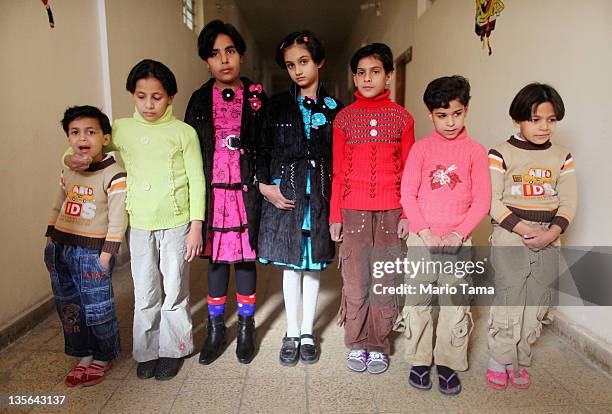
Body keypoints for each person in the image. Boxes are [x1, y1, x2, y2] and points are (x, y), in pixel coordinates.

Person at [64, 59, 205, 380]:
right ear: (132, 95)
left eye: (156, 96)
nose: (149, 104)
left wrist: (196, 225)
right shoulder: (123, 128)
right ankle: (147, 350)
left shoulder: (183, 133)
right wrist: (68, 157)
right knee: (145, 291)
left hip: (177, 222)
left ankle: (173, 349)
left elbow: (197, 179)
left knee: (175, 288)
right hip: (139, 222)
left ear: (170, 97)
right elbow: (90, 145)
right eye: (141, 96)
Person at [397, 75, 491, 395]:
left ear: (466, 110)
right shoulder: (421, 150)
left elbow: (482, 201)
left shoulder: (476, 152)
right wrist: (423, 231)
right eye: (441, 115)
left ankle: (449, 363)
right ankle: (420, 360)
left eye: (456, 113)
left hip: (458, 243)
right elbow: (408, 195)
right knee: (418, 301)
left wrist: (458, 235)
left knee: (455, 304)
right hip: (422, 241)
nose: (450, 122)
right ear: (430, 115)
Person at [257, 30, 343, 366]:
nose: (298, 70)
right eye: (291, 65)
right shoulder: (275, 105)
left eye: (304, 61)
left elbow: (340, 158)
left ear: (319, 61)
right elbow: (262, 147)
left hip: (319, 197)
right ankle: (291, 331)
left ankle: (308, 330)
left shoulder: (336, 109)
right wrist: (264, 184)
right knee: (291, 268)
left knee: (312, 266)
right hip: (286, 195)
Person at [185, 20, 266, 365]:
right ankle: (216, 329)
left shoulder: (257, 95)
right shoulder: (199, 99)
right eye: (215, 54)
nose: (224, 60)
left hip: (246, 187)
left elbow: (265, 144)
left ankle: (246, 327)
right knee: (217, 257)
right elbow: (189, 150)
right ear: (207, 61)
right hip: (213, 189)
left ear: (241, 55)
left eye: (230, 51)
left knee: (245, 256)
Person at [330, 43, 414, 374]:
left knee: (386, 278)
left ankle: (378, 343)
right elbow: (338, 170)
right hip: (352, 212)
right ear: (354, 77)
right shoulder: (344, 118)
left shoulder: (402, 118)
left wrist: (407, 212)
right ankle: (356, 341)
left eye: (375, 72)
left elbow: (409, 169)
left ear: (388, 76)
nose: (367, 78)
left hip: (392, 212)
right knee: (355, 278)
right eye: (361, 73)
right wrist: (335, 214)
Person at [486, 83, 576, 390]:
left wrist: (551, 233)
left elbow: (569, 201)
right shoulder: (501, 153)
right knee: (511, 296)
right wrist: (525, 230)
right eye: (535, 119)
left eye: (551, 120)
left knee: (536, 301)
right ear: (517, 119)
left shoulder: (562, 156)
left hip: (550, 235)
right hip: (512, 233)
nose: (544, 127)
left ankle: (521, 356)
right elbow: (493, 201)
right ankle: (500, 357)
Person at [45, 105, 127, 387]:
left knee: (97, 306)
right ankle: (83, 353)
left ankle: (104, 355)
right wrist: (49, 236)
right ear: (68, 139)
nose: (83, 138)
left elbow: (118, 218)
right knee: (70, 306)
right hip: (60, 247)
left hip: (93, 252)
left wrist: (107, 254)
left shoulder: (114, 174)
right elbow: (59, 202)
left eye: (91, 132)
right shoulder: (68, 170)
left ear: (105, 138)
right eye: (75, 132)